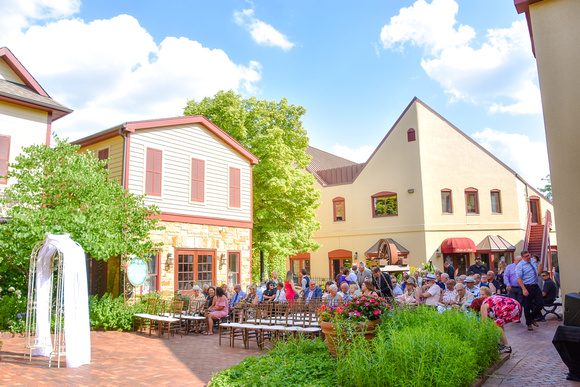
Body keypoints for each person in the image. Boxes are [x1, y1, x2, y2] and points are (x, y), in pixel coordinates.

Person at [475, 286, 521, 353]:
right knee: (498, 324)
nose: (481, 296)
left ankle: (507, 346)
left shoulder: (483, 305)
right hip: (515, 304)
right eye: (480, 294)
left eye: (483, 294)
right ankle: (502, 343)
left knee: (496, 325)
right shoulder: (489, 299)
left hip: (509, 307)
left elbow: (484, 322)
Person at [516, 250, 544, 331]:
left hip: (535, 285)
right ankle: (529, 324)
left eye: (529, 255)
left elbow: (539, 263)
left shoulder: (533, 260)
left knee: (540, 303)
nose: (528, 257)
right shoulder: (520, 266)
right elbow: (519, 278)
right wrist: (524, 289)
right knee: (527, 306)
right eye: (526, 256)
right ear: (522, 257)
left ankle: (532, 317)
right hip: (527, 286)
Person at [504, 256, 523, 320]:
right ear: (515, 260)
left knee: (520, 303)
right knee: (512, 303)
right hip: (512, 288)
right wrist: (508, 284)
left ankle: (518, 317)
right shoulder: (509, 267)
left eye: (521, 260)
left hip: (521, 287)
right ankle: (512, 316)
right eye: (519, 260)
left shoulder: (523, 267)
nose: (520, 262)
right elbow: (506, 276)